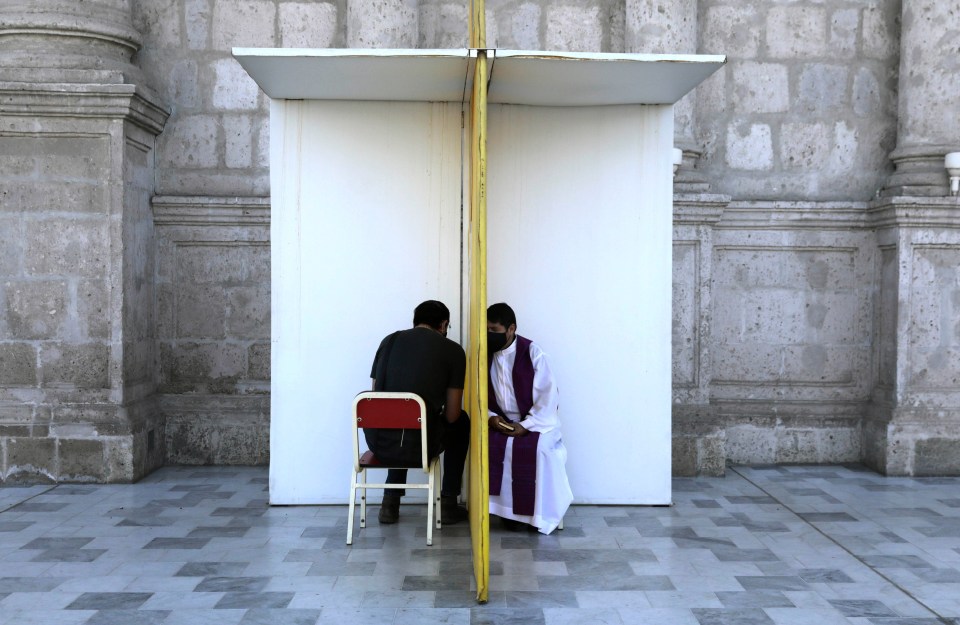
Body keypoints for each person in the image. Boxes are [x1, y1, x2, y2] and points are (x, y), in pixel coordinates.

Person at [368, 300, 470, 524]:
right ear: (443, 324)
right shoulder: (453, 351)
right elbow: (452, 415)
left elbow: (378, 398)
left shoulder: (389, 341)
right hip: (420, 445)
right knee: (461, 422)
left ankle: (390, 502)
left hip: (379, 443)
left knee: (399, 417)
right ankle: (449, 503)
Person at [487, 302, 573, 534]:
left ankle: (538, 516)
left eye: (494, 330)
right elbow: (478, 395)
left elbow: (548, 397)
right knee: (491, 446)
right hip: (500, 421)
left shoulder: (534, 353)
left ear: (511, 329)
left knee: (540, 450)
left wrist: (525, 425)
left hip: (536, 422)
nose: (489, 336)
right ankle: (505, 511)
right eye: (486, 330)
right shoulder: (483, 355)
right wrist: (491, 418)